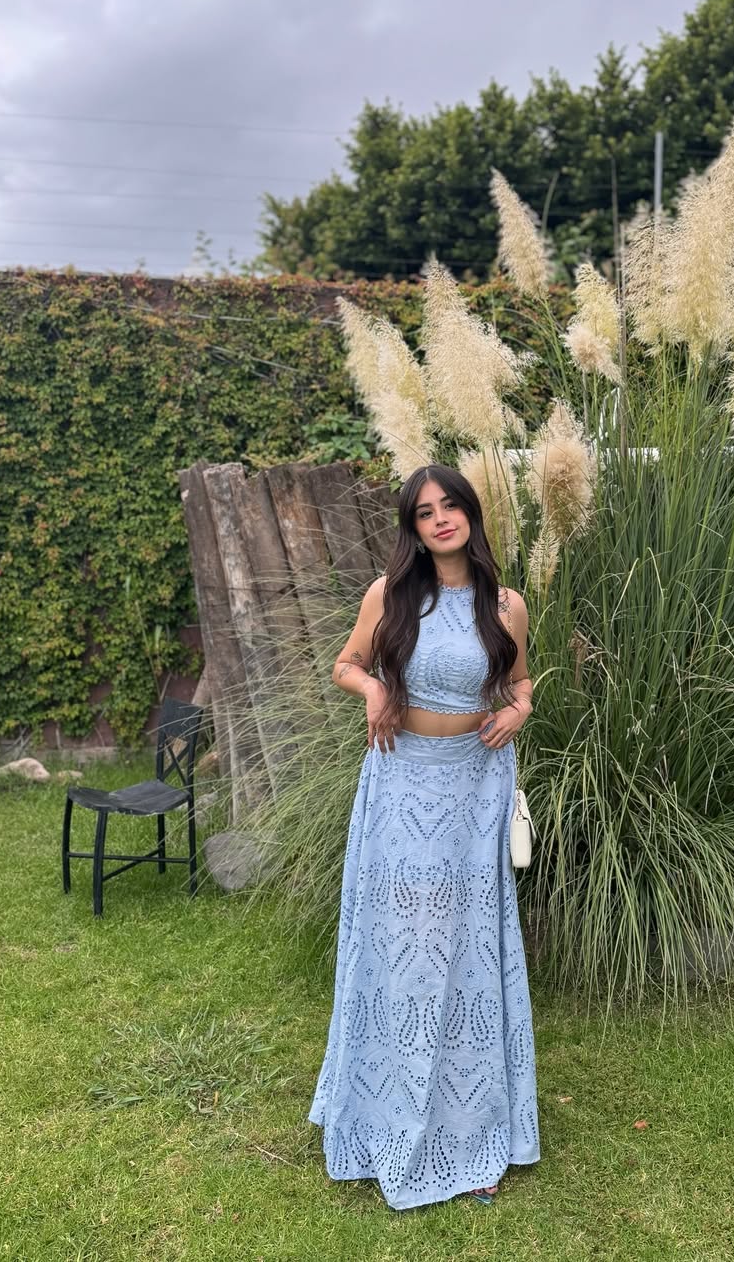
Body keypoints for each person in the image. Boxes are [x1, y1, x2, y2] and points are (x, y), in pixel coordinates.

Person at [308, 462, 541, 1210]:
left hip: (476, 783)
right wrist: (375, 685)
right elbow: (345, 664)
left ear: (471, 513)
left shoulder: (506, 605)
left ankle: (468, 1128)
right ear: (412, 528)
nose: (440, 519)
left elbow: (520, 682)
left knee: (467, 952)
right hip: (402, 780)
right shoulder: (391, 594)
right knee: (406, 946)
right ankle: (388, 1112)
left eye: (451, 506)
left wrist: (517, 711)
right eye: (424, 512)